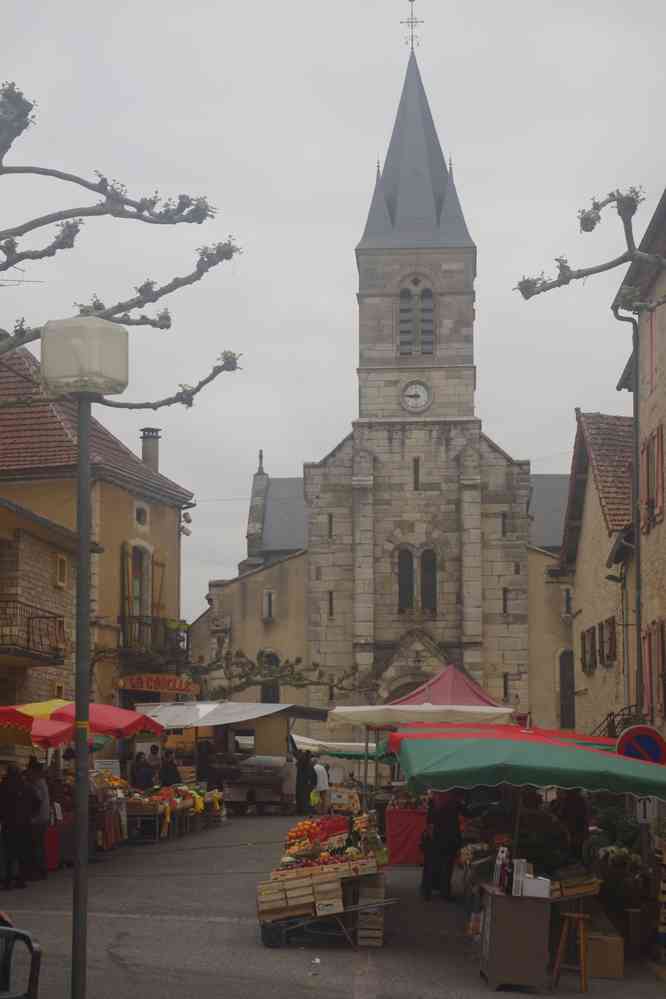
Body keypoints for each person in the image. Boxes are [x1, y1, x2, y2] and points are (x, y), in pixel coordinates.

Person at [420, 791, 463, 902]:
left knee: (430, 865)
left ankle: (427, 891)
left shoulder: (434, 800)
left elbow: (429, 821)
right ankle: (444, 892)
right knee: (446, 866)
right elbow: (466, 812)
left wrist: (429, 835)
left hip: (435, 837)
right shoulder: (453, 800)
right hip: (449, 837)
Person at [0, 766, 37, 889]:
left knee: (9, 854)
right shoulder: (27, 786)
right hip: (24, 824)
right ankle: (21, 880)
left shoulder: (3, 786)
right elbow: (37, 802)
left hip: (9, 824)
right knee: (22, 853)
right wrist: (31, 814)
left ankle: (8, 880)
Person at [26, 762, 50, 880]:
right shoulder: (42, 782)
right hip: (42, 818)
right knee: (39, 846)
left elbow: (38, 801)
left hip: (39, 819)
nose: (28, 774)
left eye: (29, 771)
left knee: (37, 846)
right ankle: (41, 870)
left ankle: (38, 871)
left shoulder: (38, 784)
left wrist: (33, 817)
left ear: (34, 771)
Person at [296, 750, 314, 815]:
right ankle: (304, 811)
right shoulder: (306, 762)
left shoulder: (302, 761)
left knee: (303, 797)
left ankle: (302, 810)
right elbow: (309, 773)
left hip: (302, 782)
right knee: (305, 797)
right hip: (304, 783)